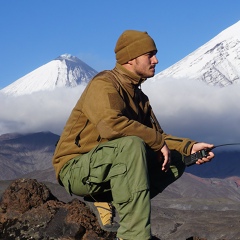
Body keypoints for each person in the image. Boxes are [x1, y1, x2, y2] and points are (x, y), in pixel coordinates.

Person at [52, 30, 215, 240]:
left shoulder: (140, 97)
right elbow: (111, 125)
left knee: (175, 160)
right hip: (75, 168)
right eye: (150, 55)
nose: (156, 60)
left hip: (108, 168)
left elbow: (157, 136)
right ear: (131, 58)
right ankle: (133, 236)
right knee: (132, 145)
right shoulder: (104, 84)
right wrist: (156, 141)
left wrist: (188, 147)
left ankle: (119, 213)